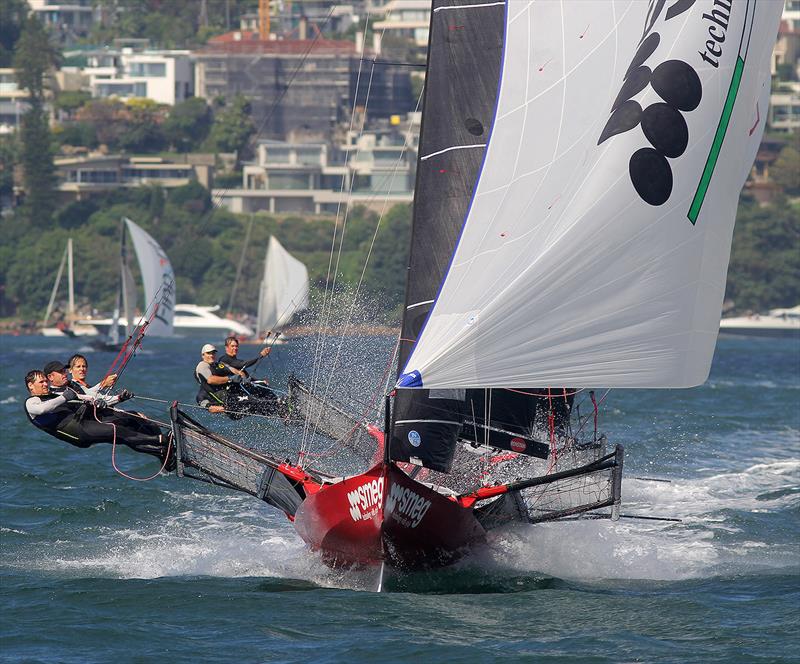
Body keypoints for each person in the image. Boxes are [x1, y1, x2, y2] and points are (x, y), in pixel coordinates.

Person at [24, 368, 171, 464]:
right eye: (41, 382)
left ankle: (160, 452)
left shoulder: (54, 394)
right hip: (77, 433)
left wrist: (116, 399)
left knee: (123, 434)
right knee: (116, 430)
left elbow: (85, 397)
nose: (45, 384)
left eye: (45, 381)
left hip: (83, 424)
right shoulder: (31, 402)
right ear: (31, 385)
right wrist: (64, 397)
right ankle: (161, 440)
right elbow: (43, 409)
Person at [195, 343, 283, 419]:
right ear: (203, 355)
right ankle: (280, 404)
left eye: (213, 353)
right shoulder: (202, 367)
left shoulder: (218, 365)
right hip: (230, 405)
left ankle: (283, 411)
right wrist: (230, 379)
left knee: (261, 389)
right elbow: (211, 380)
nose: (211, 355)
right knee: (254, 401)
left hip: (235, 397)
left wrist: (243, 377)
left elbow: (235, 371)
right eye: (208, 353)